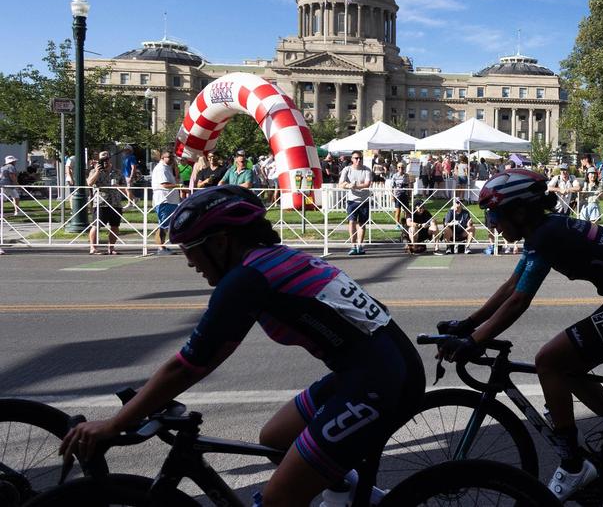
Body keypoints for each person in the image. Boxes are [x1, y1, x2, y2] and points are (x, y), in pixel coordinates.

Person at [59, 185, 424, 507]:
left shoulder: (248, 279)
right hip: (372, 368)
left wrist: (115, 423)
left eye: (191, 248)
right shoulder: (277, 257)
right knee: (276, 438)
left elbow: (190, 364)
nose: (188, 261)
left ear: (220, 242)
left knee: (277, 499)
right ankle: (353, 495)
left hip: (380, 381)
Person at [437, 169, 603, 500]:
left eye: (494, 214)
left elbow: (519, 301)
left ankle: (574, 466)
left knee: (550, 361)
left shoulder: (547, 235)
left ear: (519, 211)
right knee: (566, 363)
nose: (492, 223)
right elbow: (512, 286)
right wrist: (467, 325)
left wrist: (474, 342)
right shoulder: (544, 230)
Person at [87, 151, 125, 255]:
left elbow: (125, 187)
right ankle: (93, 248)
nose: (105, 162)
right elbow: (90, 183)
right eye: (102, 160)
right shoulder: (94, 171)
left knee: (115, 226)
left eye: (107, 159)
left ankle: (111, 248)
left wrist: (119, 186)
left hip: (115, 202)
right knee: (96, 225)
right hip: (101, 202)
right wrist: (97, 172)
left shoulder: (117, 172)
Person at [339, 151, 373, 256]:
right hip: (351, 200)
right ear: (352, 159)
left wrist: (355, 186)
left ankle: (360, 245)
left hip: (364, 200)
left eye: (360, 158)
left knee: (362, 224)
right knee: (351, 222)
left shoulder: (367, 169)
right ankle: (353, 246)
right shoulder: (347, 169)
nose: (358, 160)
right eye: (356, 158)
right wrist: (348, 185)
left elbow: (367, 184)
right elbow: (340, 184)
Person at [150, 150, 180, 254]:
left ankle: (162, 246)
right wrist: (179, 186)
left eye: (172, 157)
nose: (172, 159)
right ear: (163, 158)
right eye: (169, 157)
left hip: (170, 200)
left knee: (165, 225)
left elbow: (175, 179)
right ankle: (160, 248)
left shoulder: (168, 168)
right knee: (163, 225)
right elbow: (165, 184)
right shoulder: (161, 168)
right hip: (164, 200)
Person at [390, 162, 412, 236]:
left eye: (402, 167)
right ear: (397, 168)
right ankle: (397, 224)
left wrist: (410, 194)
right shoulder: (395, 176)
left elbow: (409, 185)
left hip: (405, 194)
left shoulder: (407, 176)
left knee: (406, 210)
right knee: (398, 210)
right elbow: (392, 187)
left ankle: (407, 223)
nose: (401, 169)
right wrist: (392, 196)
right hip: (398, 195)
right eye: (399, 167)